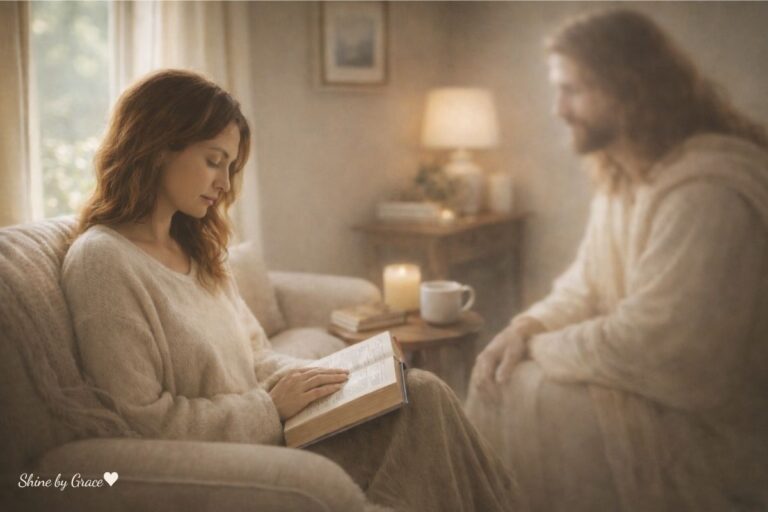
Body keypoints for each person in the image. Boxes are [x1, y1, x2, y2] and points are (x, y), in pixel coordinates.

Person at [61, 69, 519, 512]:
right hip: (239, 457)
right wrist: (268, 408)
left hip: (280, 426)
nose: (223, 184)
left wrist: (352, 376)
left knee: (421, 390)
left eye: (230, 166)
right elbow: (142, 422)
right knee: (425, 410)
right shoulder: (103, 261)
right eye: (213, 161)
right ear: (158, 146)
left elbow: (258, 358)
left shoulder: (198, 250)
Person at [465, 8, 768, 512]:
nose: (559, 109)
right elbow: (584, 288)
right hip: (657, 387)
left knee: (517, 390)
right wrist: (526, 326)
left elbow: (663, 349)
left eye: (573, 90)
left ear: (628, 88)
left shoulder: (707, 193)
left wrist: (538, 348)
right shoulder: (624, 176)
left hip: (711, 426)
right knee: (505, 380)